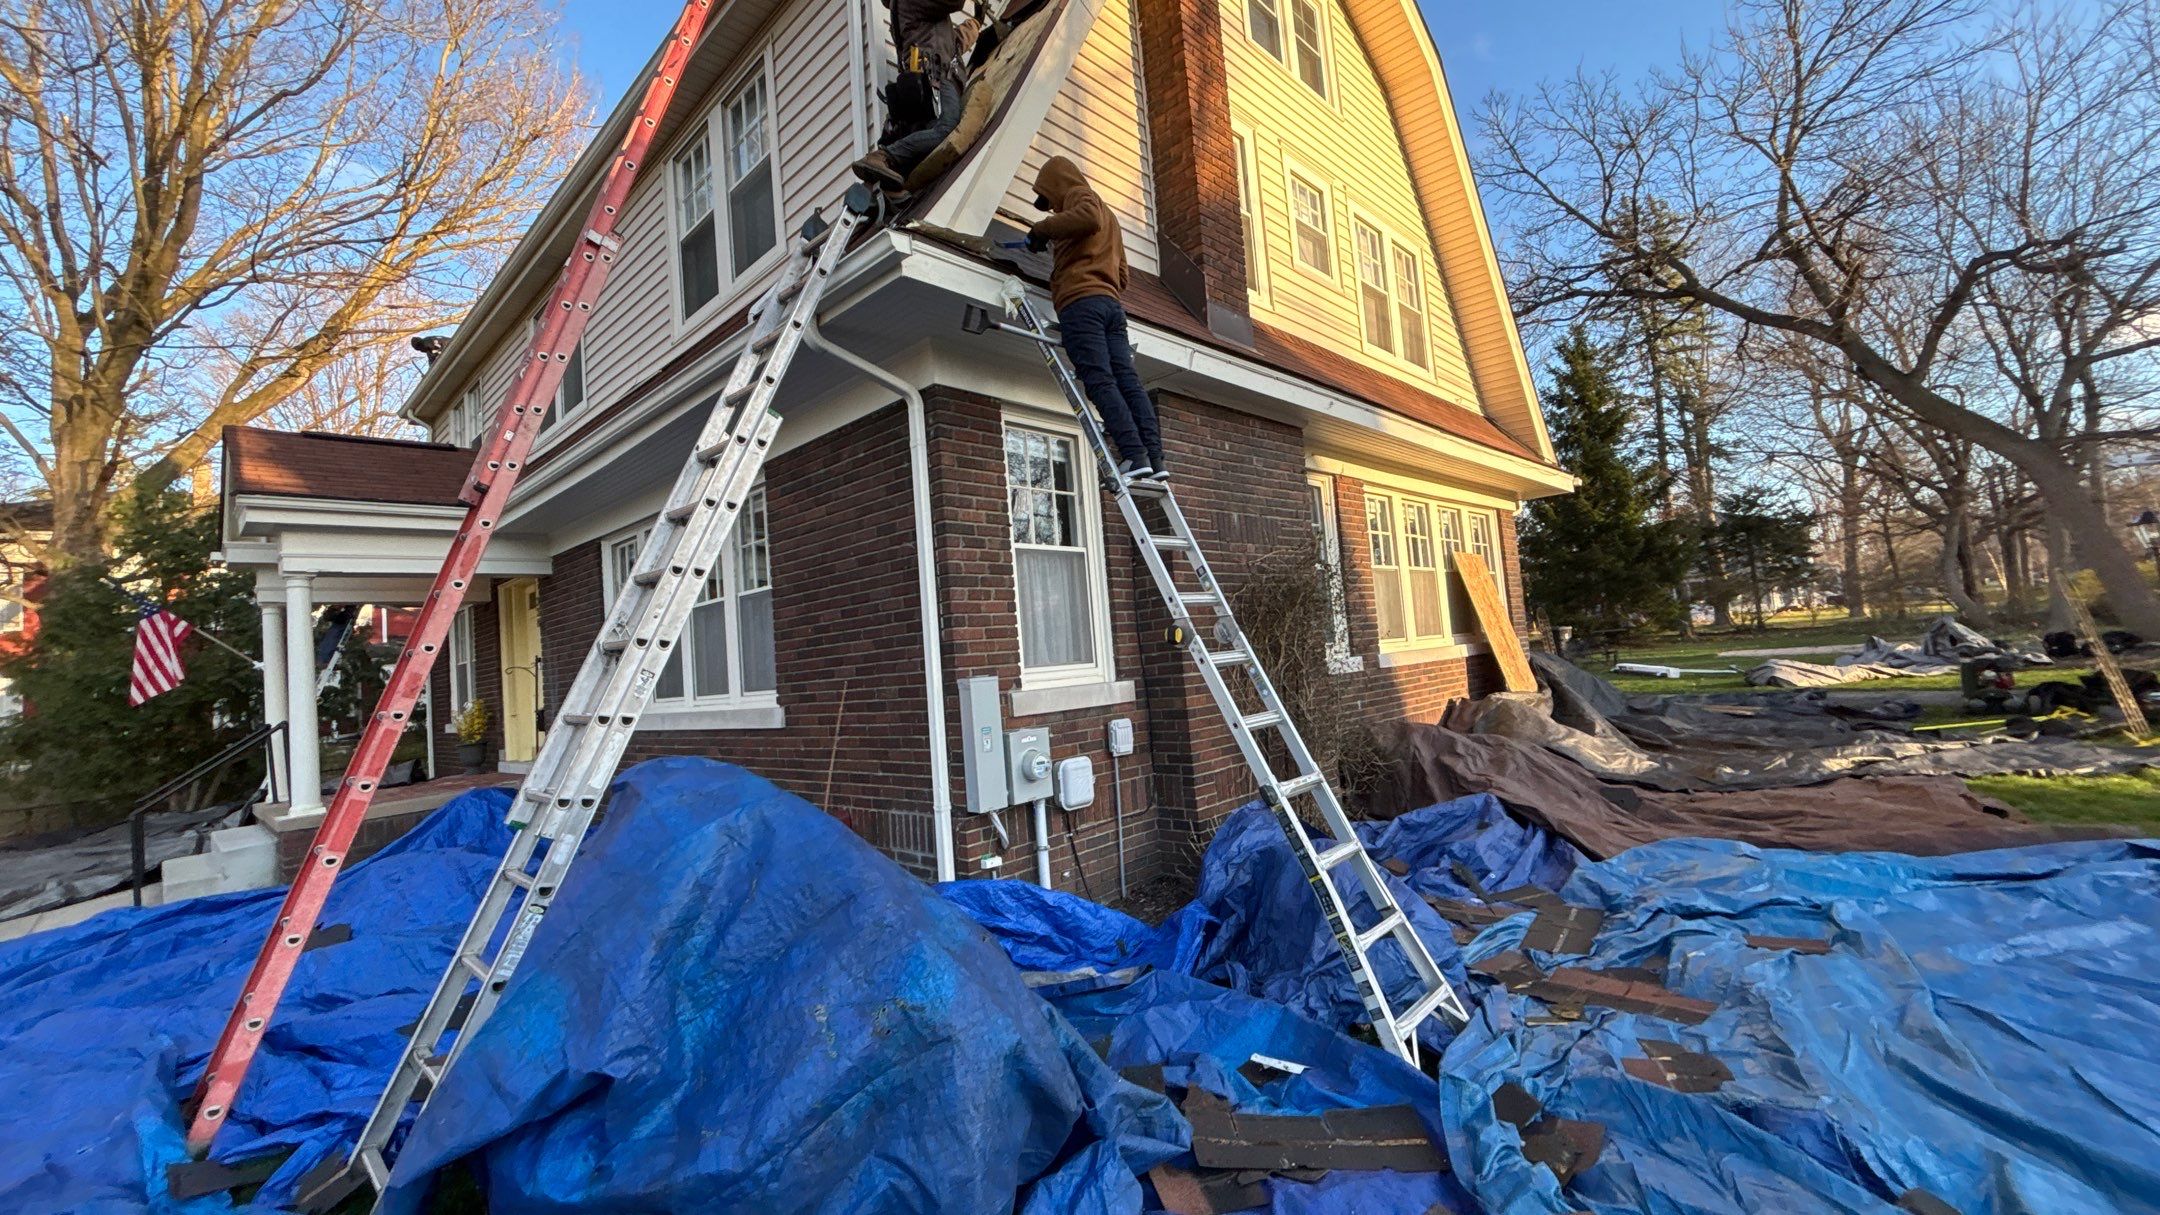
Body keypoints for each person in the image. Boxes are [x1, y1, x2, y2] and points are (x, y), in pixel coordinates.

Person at [1026, 156, 1167, 482]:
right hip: (1111, 307)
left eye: (1050, 200)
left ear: (1058, 183)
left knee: (1099, 379)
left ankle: (1133, 454)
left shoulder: (1081, 196)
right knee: (1127, 381)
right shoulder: (1110, 219)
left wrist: (1042, 230)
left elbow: (1086, 217)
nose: (1052, 209)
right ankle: (1154, 458)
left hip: (1082, 306)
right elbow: (1122, 275)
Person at [852, 0, 973, 189]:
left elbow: (950, 45)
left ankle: (894, 185)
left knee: (927, 144)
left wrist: (975, 23)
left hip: (931, 79)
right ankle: (885, 156)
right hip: (937, 79)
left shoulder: (913, 9)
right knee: (947, 130)